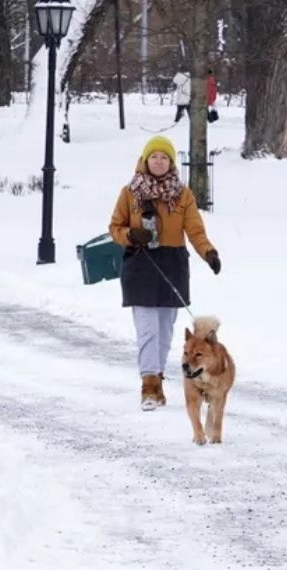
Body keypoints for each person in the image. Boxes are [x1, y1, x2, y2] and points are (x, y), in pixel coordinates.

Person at [108, 135, 221, 411]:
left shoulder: (183, 194)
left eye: (164, 157)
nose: (159, 161)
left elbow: (195, 230)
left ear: (170, 163)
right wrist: (131, 235)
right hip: (141, 264)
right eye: (154, 157)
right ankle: (148, 387)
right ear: (146, 161)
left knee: (164, 331)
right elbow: (114, 227)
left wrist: (208, 252)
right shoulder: (130, 192)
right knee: (147, 331)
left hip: (172, 266)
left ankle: (157, 378)